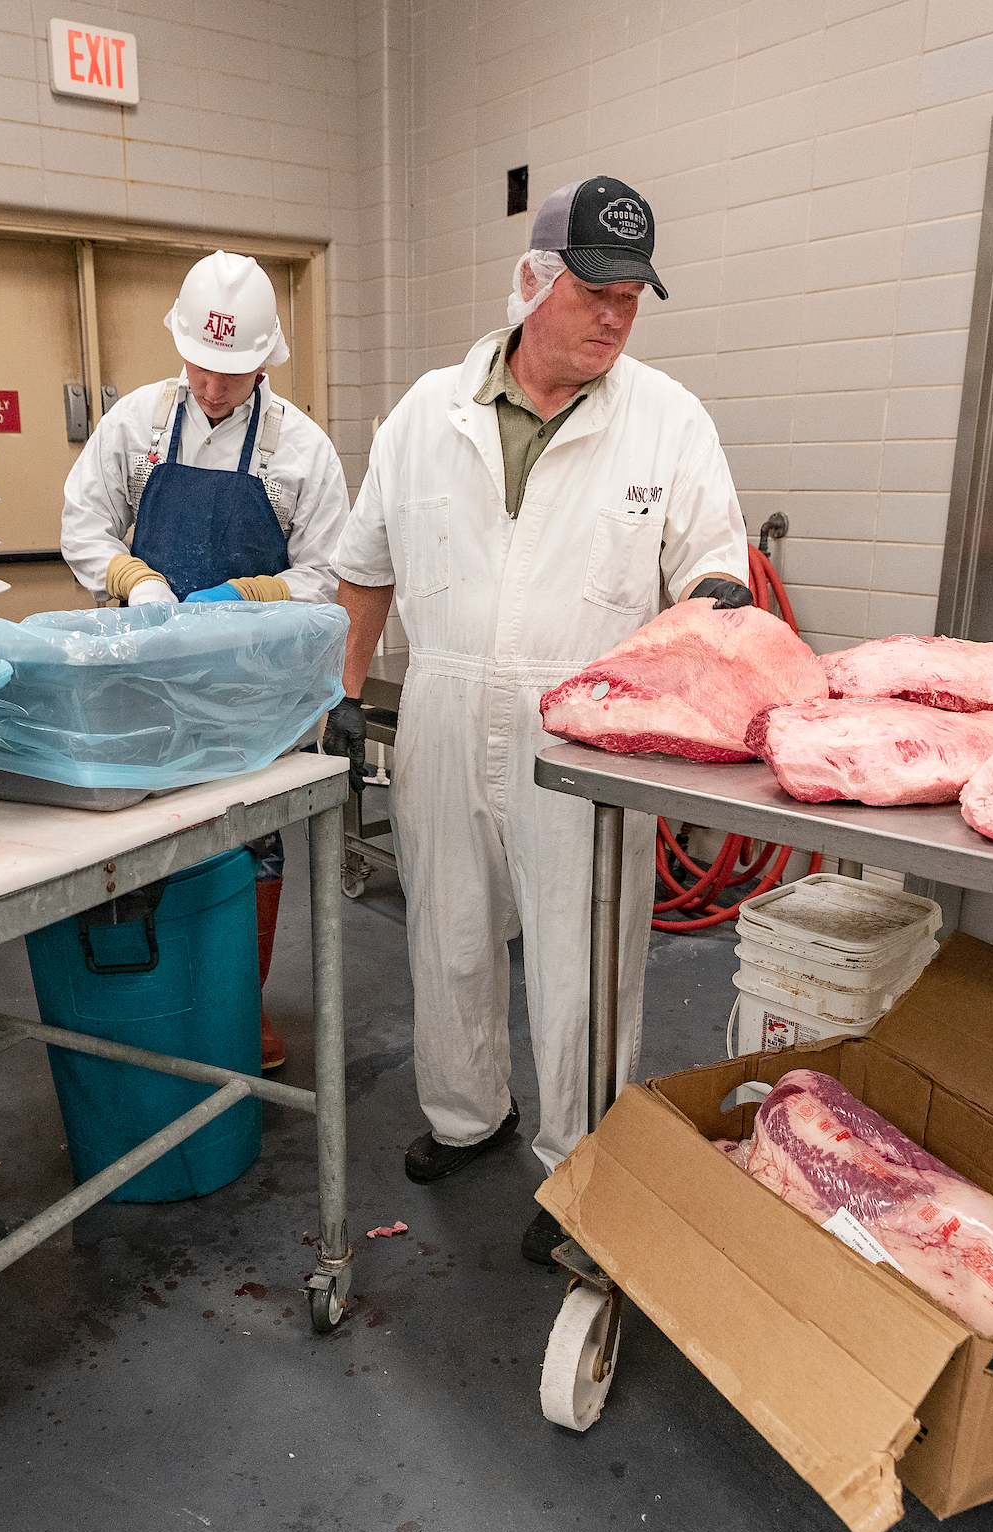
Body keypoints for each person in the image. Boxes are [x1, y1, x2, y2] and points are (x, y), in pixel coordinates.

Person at [325, 178, 761, 1265]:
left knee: (583, 957)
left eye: (633, 296)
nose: (615, 316)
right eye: (594, 290)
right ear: (531, 283)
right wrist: (338, 694)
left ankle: (581, 1160)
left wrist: (705, 636)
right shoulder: (425, 414)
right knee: (450, 930)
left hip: (586, 729)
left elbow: (716, 572)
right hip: (441, 705)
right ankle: (470, 1117)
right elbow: (364, 570)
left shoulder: (665, 418)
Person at [59, 250, 350, 1076]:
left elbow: (327, 573)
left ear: (266, 360)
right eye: (201, 368)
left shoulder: (301, 448)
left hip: (249, 687)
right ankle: (150, 996)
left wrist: (248, 593)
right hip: (145, 678)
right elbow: (82, 523)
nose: (214, 389)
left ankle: (238, 1001)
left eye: (234, 373)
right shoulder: (139, 425)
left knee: (251, 839)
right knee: (145, 831)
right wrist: (134, 577)